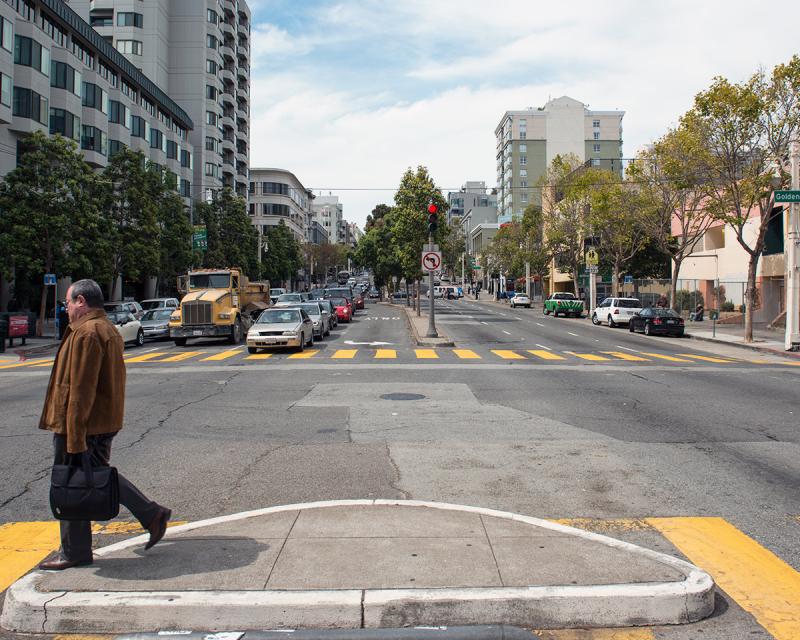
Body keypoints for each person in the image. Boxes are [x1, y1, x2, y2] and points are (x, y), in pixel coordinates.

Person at [38, 279, 171, 570]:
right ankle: (149, 516)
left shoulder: (88, 333)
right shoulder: (101, 328)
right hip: (96, 421)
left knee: (75, 481)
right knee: (90, 477)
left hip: (85, 424)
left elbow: (80, 390)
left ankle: (77, 550)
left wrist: (75, 435)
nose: (67, 308)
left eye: (69, 302)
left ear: (82, 302)